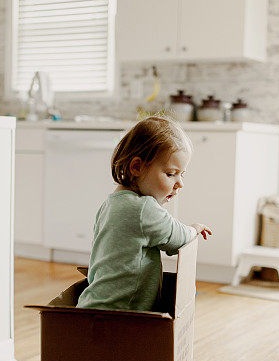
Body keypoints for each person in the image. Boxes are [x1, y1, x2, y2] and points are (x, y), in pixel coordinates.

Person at [77, 116, 212, 311]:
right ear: (137, 167)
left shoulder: (110, 203)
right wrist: (194, 229)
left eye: (182, 174)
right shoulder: (143, 209)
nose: (180, 183)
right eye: (170, 173)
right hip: (120, 313)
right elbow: (178, 239)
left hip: (95, 304)